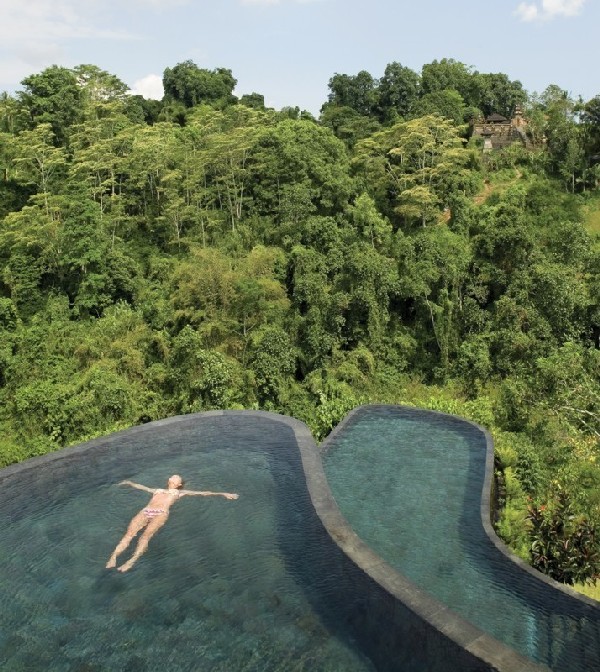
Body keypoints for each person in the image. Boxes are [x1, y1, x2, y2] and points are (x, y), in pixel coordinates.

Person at [106, 474, 239, 572]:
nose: (174, 477)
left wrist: (224, 493)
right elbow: (143, 487)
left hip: (161, 513)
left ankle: (131, 561)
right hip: (146, 511)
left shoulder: (180, 492)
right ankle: (113, 558)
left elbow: (203, 493)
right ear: (169, 481)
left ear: (178, 484)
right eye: (173, 476)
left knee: (145, 536)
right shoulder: (157, 490)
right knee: (129, 534)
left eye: (177, 477)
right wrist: (129, 482)